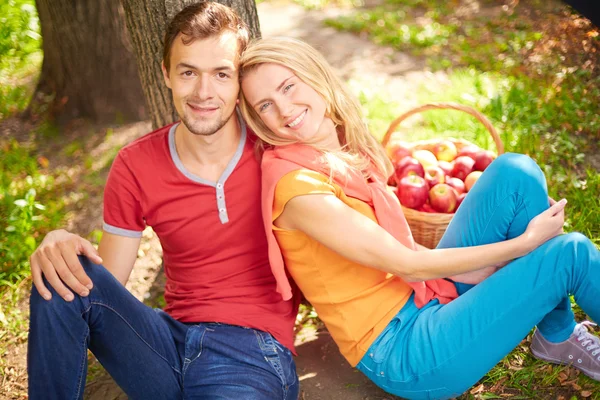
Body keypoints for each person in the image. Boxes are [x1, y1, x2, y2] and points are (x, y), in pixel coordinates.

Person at [237, 37, 600, 400]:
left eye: (288, 86)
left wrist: (487, 266)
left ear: (314, 76)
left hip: (419, 294)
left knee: (516, 174)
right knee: (571, 254)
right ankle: (556, 323)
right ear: (258, 119)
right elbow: (406, 261)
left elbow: (404, 259)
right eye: (266, 105)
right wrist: (526, 243)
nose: (284, 110)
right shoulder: (298, 190)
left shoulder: (339, 153)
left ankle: (556, 335)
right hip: (406, 351)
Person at [26, 3, 300, 400]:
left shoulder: (275, 151)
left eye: (221, 75)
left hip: (250, 351)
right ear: (166, 75)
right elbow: (106, 284)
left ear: (239, 82)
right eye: (188, 72)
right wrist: (58, 241)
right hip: (166, 344)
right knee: (58, 278)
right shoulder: (136, 164)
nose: (203, 93)